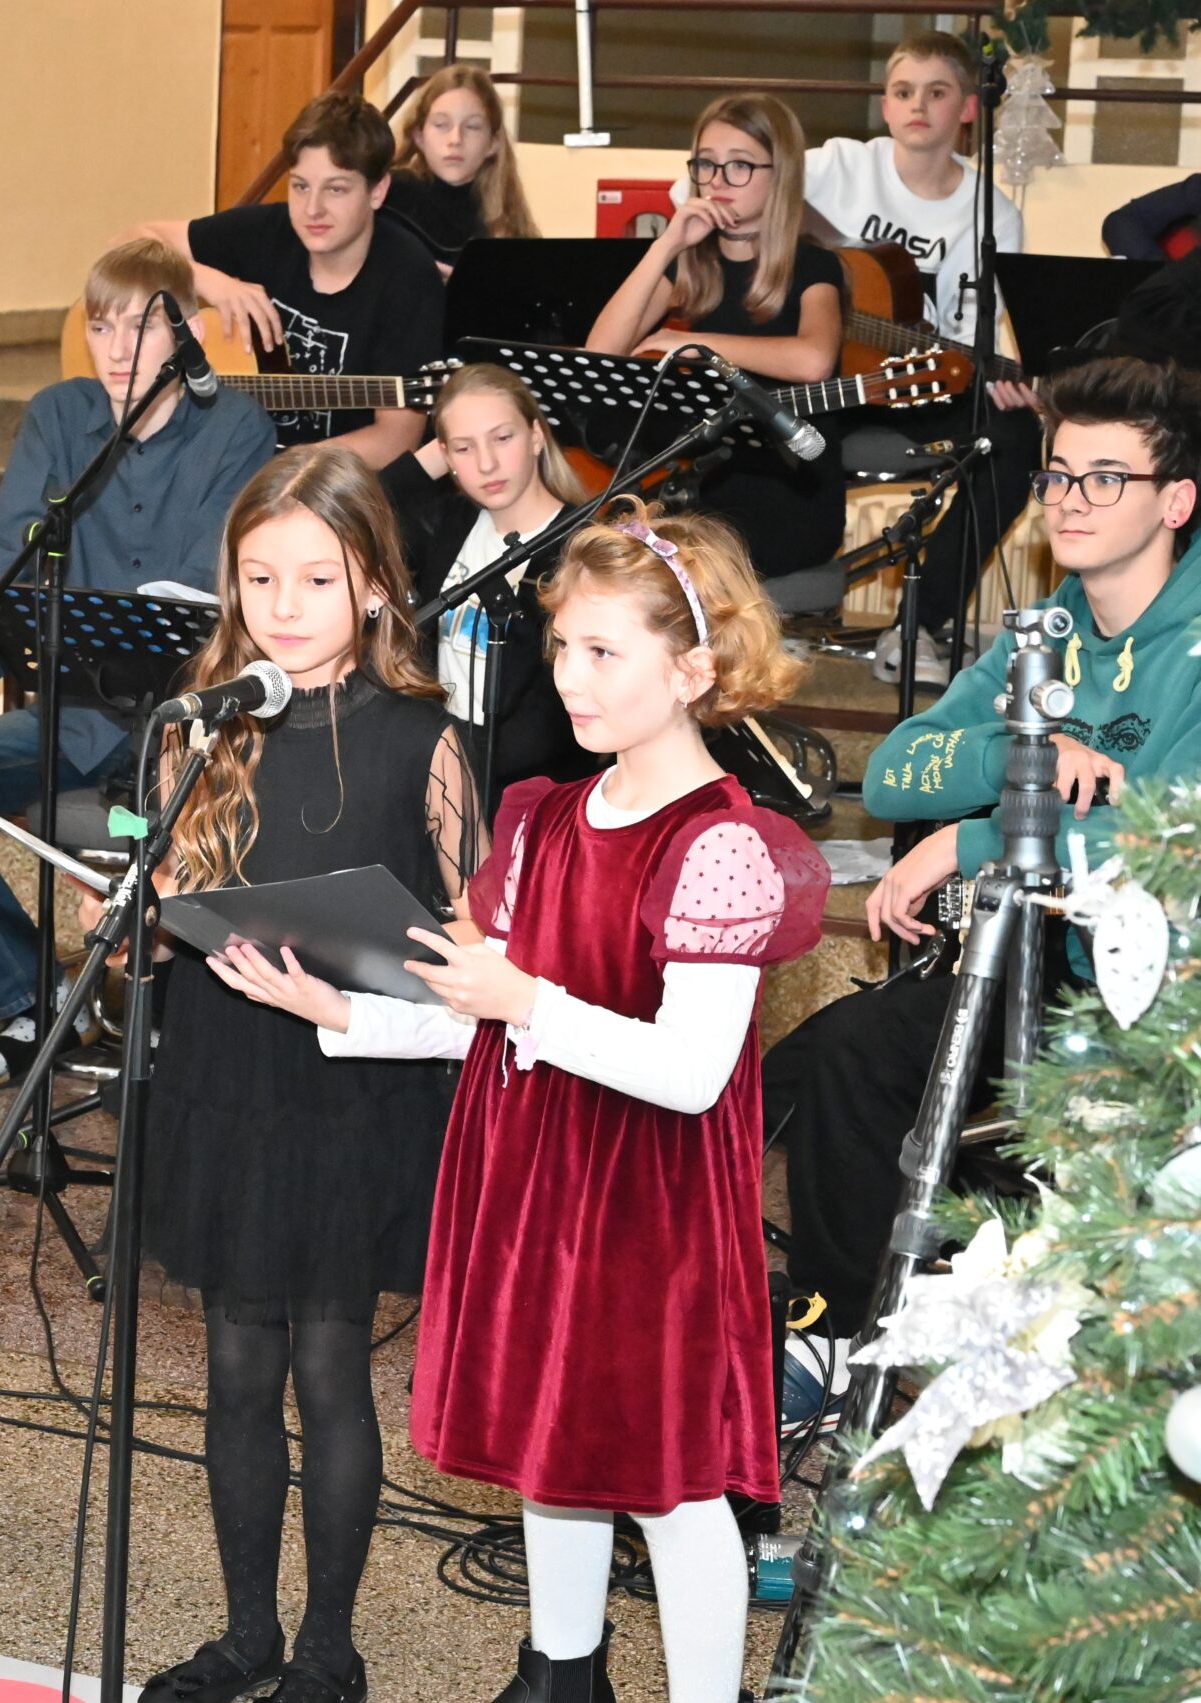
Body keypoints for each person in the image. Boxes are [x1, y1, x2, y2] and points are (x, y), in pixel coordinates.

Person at [274, 504, 826, 1701]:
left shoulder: (718, 843)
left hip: (647, 1205)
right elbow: (487, 1016)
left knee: (672, 1482)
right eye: (562, 645)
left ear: (692, 669)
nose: (569, 676)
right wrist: (346, 1011)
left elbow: (689, 1070)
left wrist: (527, 997)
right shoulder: (548, 820)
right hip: (534, 1184)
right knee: (554, 1451)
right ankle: (560, 1674)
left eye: (603, 651)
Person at [113, 444, 473, 1703]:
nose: (283, 604)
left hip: (348, 1081)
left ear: (372, 585)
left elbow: (478, 950)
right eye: (259, 577)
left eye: (316, 578)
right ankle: (246, 1633)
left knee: (328, 1366)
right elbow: (161, 895)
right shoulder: (203, 722)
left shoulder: (424, 740)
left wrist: (374, 987)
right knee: (233, 1367)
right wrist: (145, 912)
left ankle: (329, 1645)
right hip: (225, 1069)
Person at [769, 357, 1201, 1367]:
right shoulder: (1045, 631)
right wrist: (1022, 755)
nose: (1069, 498)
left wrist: (971, 838)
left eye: (1106, 477)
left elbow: (1175, 847)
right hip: (1045, 957)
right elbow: (894, 775)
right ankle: (841, 1340)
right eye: (1057, 474)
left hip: (1167, 988)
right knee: (842, 1056)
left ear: (1176, 500)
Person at [0, 238, 276, 1090]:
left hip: (182, 732)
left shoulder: (236, 429)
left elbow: (203, 594)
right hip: (75, 719)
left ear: (187, 331)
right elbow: (8, 580)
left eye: (141, 328)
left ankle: (174, 1027)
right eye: (101, 326)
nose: (116, 350)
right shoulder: (59, 418)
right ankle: (38, 998)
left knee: (187, 835)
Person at [756, 31, 1034, 688]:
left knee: (1015, 435)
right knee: (768, 420)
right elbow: (704, 194)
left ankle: (919, 626)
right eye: (904, 91)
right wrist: (818, 266)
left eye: (937, 92)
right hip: (817, 374)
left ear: (968, 108)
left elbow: (967, 342)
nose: (918, 105)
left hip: (918, 383)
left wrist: (1007, 382)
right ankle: (760, 615)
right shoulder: (841, 166)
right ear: (885, 105)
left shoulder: (992, 213)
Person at [588, 93, 849, 580]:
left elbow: (813, 360)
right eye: (706, 164)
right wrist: (668, 244)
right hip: (698, 484)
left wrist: (695, 347)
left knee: (666, 564)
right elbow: (599, 353)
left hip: (788, 493)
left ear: (780, 174)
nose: (717, 180)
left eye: (740, 165)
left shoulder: (815, 265)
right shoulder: (693, 264)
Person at [131, 92, 445, 459]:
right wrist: (206, 281)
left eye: (336, 189)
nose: (312, 209)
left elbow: (395, 440)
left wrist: (284, 469)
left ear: (377, 191)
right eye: (300, 186)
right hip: (231, 462)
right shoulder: (268, 231)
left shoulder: (407, 276)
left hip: (341, 480)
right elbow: (131, 243)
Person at [378, 362, 603, 808]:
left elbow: (549, 720)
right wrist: (435, 457)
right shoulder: (449, 522)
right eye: (465, 448)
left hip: (529, 792)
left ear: (536, 435)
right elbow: (352, 509)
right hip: (443, 765)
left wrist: (453, 760)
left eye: (503, 438)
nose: (486, 464)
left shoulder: (581, 549)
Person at [381, 64, 539, 273]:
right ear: (419, 136)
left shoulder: (507, 220)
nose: (455, 139)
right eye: (441, 125)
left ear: (493, 143)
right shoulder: (387, 197)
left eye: (472, 126)